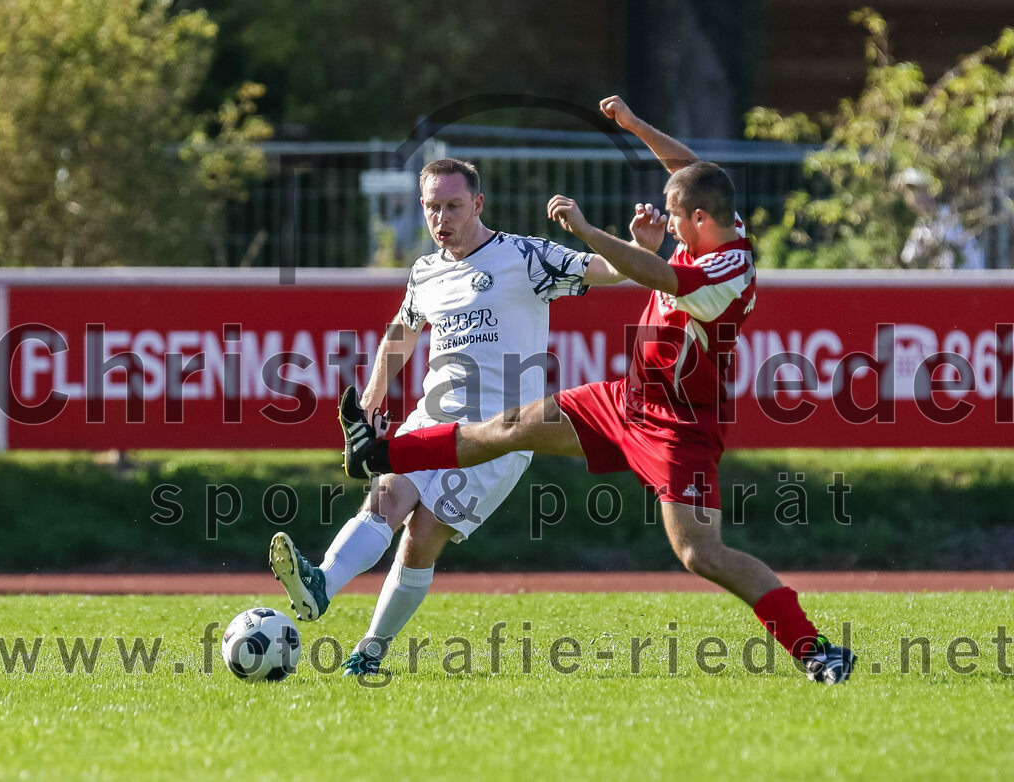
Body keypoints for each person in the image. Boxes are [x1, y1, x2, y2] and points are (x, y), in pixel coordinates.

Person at [341, 96, 856, 684]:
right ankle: (379, 453)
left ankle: (815, 649)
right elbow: (691, 174)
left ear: (700, 222)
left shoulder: (724, 271)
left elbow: (658, 274)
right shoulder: (716, 218)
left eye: (673, 216)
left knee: (700, 554)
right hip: (626, 400)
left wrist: (591, 232)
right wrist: (637, 127)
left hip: (680, 425)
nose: (665, 219)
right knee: (511, 426)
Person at [270, 157, 627, 675]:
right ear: (422, 208)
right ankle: (320, 584)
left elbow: (613, 271)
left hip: (500, 436)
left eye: (454, 206)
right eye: (433, 207)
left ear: (477, 204)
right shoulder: (425, 271)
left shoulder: (525, 257)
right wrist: (371, 401)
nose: (443, 218)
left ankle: (370, 650)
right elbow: (402, 332)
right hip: (432, 417)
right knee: (386, 498)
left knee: (420, 539)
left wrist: (638, 244)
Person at [897, 168, 985, 269]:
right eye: (911, 191)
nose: (912, 196)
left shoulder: (946, 219)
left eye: (917, 190)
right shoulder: (923, 223)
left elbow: (950, 263)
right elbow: (908, 257)